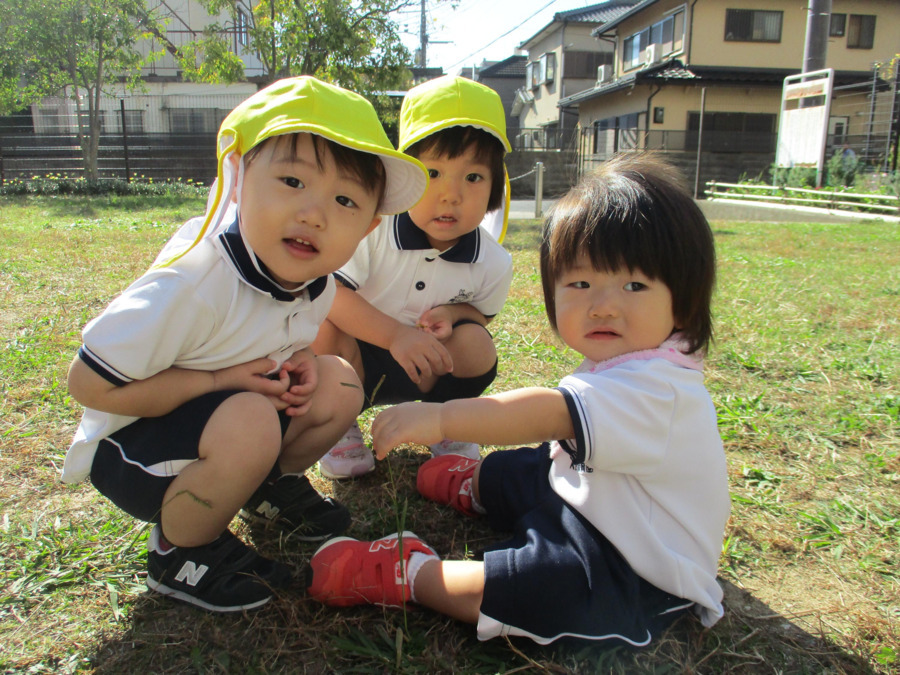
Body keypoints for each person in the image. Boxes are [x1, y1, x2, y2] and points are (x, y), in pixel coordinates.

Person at [307, 153, 731, 647]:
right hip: (592, 498)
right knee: (534, 468)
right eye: (580, 283)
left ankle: (413, 572)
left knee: (542, 588)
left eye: (634, 285)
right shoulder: (639, 355)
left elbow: (545, 413)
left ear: (684, 297)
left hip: (635, 562)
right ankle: (478, 484)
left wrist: (441, 419)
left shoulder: (661, 388)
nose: (602, 306)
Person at [61, 76, 428, 613]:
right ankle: (179, 549)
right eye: (292, 181)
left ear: (368, 227)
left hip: (223, 422)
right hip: (131, 452)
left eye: (344, 199)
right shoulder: (194, 283)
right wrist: (219, 381)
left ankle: (264, 490)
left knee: (338, 382)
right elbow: (88, 384)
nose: (314, 213)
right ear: (237, 179)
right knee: (252, 418)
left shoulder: (317, 283)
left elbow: (278, 338)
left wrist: (301, 359)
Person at [312, 75, 514, 479]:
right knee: (322, 329)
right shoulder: (373, 229)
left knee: (477, 345)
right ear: (404, 177)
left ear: (496, 186)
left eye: (473, 177)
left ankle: (447, 423)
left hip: (428, 366)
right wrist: (395, 336)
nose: (451, 194)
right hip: (358, 359)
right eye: (433, 173)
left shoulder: (493, 261)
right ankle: (337, 426)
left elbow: (483, 314)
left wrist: (454, 314)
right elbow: (330, 292)